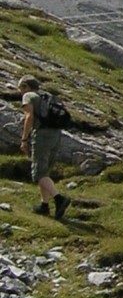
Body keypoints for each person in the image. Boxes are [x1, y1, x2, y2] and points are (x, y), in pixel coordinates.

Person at [19, 78, 68, 220]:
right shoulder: (48, 96)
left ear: (26, 86)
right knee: (45, 172)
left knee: (39, 173)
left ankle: (59, 199)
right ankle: (44, 205)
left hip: (42, 135)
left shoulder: (28, 96)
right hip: (56, 135)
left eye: (20, 88)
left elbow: (29, 116)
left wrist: (24, 139)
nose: (20, 92)